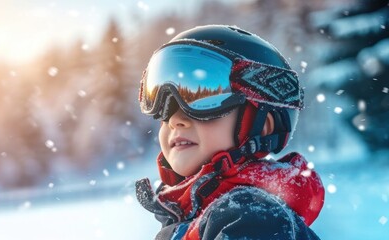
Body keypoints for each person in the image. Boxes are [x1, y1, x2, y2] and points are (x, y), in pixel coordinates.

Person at [135, 25, 325, 240]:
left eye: (203, 99)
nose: (176, 120)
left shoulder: (250, 216)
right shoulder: (197, 215)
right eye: (166, 109)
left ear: (263, 126)